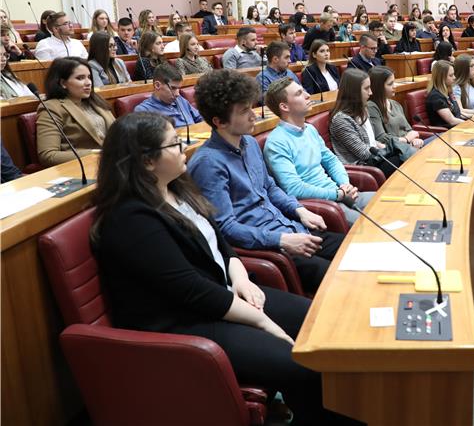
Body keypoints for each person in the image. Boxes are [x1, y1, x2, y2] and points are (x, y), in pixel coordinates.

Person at [91, 111, 356, 426]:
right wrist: (262, 320)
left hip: (225, 294)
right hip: (187, 322)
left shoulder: (177, 189)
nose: (184, 148)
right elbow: (191, 291)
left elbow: (220, 242)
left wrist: (240, 275)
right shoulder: (130, 219)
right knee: (307, 364)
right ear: (147, 161)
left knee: (325, 323)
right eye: (175, 144)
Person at [187, 70, 343, 293]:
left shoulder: (249, 143)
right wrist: (281, 240)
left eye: (251, 107)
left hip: (292, 227)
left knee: (355, 250)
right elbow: (226, 227)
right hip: (272, 248)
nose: (254, 115)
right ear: (219, 121)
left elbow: (269, 186)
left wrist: (299, 210)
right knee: (340, 278)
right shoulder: (208, 164)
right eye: (244, 111)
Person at [264, 78, 374, 225]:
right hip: (322, 206)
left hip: (339, 193)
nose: (308, 95)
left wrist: (344, 184)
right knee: (372, 226)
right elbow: (294, 188)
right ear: (284, 106)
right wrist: (338, 194)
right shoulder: (276, 143)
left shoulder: (310, 129)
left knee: (389, 202)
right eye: (299, 93)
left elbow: (331, 160)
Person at [36, 57, 115, 167]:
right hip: (83, 166)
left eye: (89, 77)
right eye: (80, 78)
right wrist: (96, 154)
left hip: (113, 161)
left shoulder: (96, 101)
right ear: (63, 83)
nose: (88, 83)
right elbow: (48, 155)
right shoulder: (51, 108)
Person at [329, 68, 401, 177]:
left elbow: (371, 142)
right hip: (362, 168)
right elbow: (364, 153)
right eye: (366, 88)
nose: (371, 92)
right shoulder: (341, 120)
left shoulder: (363, 109)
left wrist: (387, 147)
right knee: (402, 159)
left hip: (374, 159)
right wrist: (389, 149)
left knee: (405, 153)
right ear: (354, 92)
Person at [366, 66, 423, 161]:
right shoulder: (371, 106)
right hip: (397, 152)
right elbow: (381, 137)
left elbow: (409, 130)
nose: (395, 86)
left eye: (394, 82)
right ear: (378, 87)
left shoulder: (396, 104)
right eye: (390, 84)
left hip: (409, 146)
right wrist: (406, 139)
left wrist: (415, 140)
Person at [134, 64, 202, 127]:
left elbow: (200, 118)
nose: (177, 94)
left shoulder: (180, 100)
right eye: (173, 88)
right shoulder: (143, 111)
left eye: (178, 88)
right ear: (157, 85)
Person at [425, 60, 464, 129]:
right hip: (445, 133)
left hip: (457, 128)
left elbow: (458, 113)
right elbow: (452, 121)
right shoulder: (435, 96)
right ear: (441, 77)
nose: (454, 77)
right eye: (451, 75)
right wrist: (469, 123)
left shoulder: (447, 91)